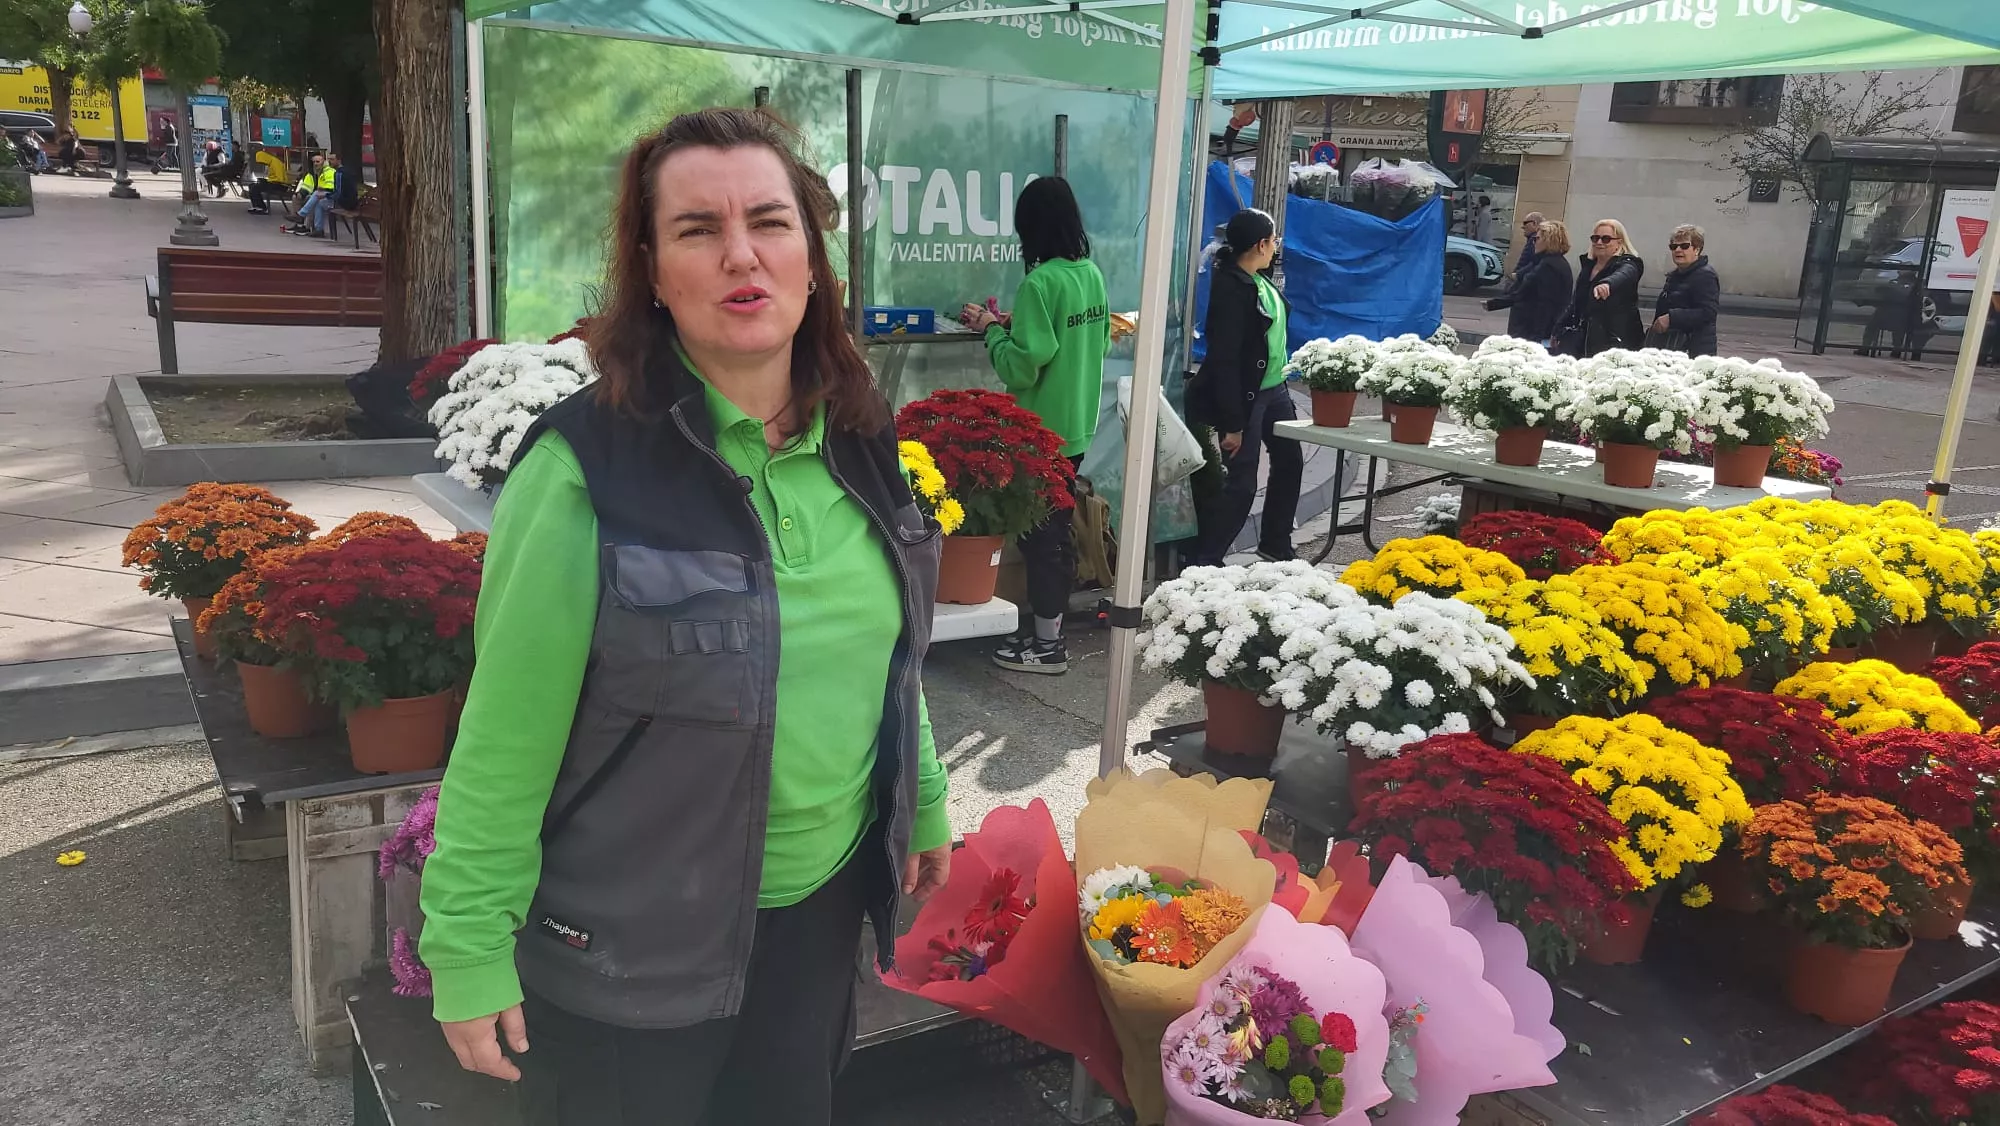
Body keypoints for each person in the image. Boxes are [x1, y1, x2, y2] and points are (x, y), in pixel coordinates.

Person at [417, 107, 951, 1126]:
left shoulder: (865, 437)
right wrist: (466, 944)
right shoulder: (584, 471)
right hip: (632, 943)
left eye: (769, 221)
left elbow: (891, 655)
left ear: (811, 257)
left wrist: (919, 798)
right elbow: (503, 736)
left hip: (816, 917)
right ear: (653, 272)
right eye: (697, 230)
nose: (740, 253)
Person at [957, 176, 1108, 677]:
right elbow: (1093, 343)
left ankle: (1047, 646)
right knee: (1053, 532)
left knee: (1046, 538)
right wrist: (1012, 325)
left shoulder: (1040, 282)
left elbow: (1023, 365)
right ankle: (1046, 630)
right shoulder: (1089, 274)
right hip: (1077, 427)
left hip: (1043, 433)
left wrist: (991, 331)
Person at [1186, 208, 1304, 568]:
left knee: (1290, 462)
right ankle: (1205, 562)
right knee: (1242, 483)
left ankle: (1275, 544)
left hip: (1275, 389)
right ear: (1261, 244)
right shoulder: (1231, 288)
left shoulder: (1260, 278)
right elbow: (1224, 360)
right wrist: (1233, 424)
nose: (1276, 247)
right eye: (1273, 240)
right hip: (1246, 397)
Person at [1554, 218, 1645, 357]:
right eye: (1595, 238)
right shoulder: (1588, 267)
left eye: (1606, 239)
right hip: (1583, 340)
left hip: (1614, 342)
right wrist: (1558, 329)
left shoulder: (1628, 263)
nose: (1599, 243)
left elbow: (1624, 274)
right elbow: (1576, 303)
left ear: (1619, 243)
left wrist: (1608, 283)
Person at [1485, 218, 1573, 345]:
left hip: (1532, 332)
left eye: (1537, 239)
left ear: (1548, 241)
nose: (1533, 243)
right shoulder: (1546, 262)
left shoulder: (1549, 265)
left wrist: (1537, 338)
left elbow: (1545, 304)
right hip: (1532, 330)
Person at [1652, 223, 1721, 356]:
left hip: (1694, 349)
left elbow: (1708, 312)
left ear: (1697, 249)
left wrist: (1672, 317)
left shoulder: (1705, 275)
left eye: (1684, 246)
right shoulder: (1675, 275)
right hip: (1673, 346)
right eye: (1673, 246)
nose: (1678, 250)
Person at [287, 152, 332, 235]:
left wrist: (323, 189)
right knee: (296, 197)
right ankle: (299, 224)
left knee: (314, 197)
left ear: (323, 162)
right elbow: (307, 186)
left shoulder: (329, 172)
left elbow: (330, 186)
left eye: (318, 162)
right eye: (314, 162)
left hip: (326, 195)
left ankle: (305, 223)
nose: (315, 164)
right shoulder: (311, 173)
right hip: (315, 195)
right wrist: (301, 193)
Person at [247, 145, 291, 214]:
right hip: (275, 183)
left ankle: (262, 207)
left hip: (280, 185)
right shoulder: (271, 162)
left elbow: (280, 179)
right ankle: (256, 206)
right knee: (251, 185)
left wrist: (268, 181)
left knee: (255, 187)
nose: (264, 164)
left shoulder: (275, 163)